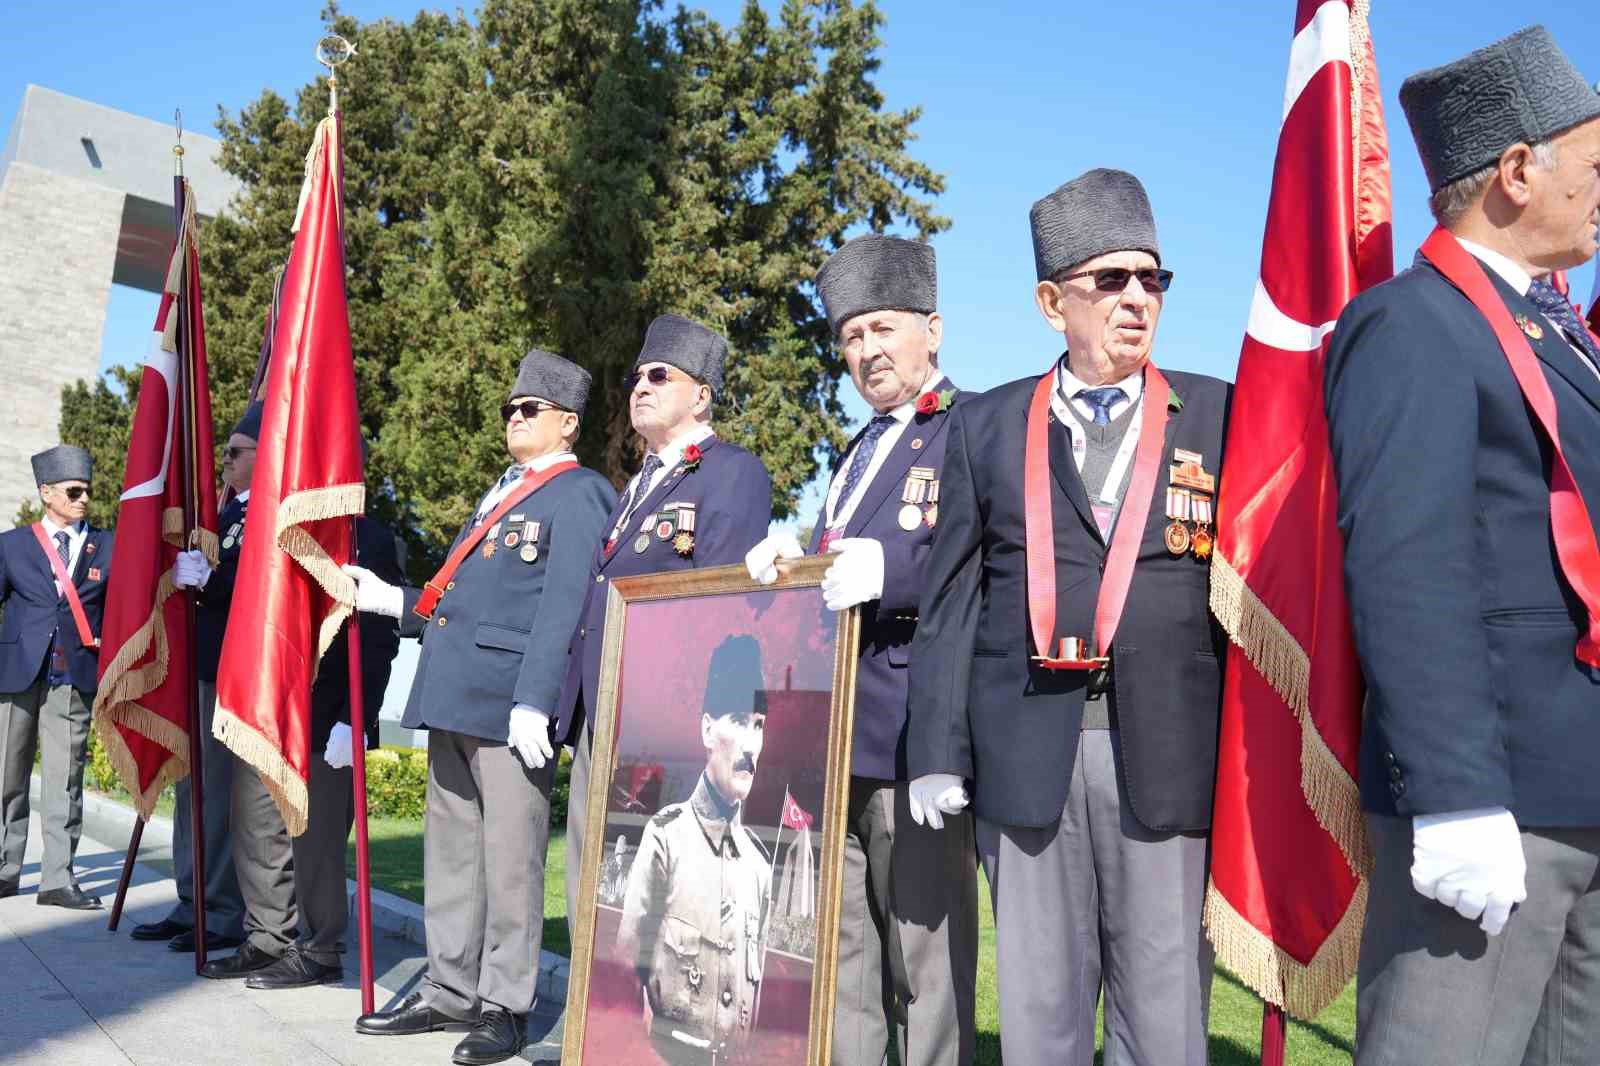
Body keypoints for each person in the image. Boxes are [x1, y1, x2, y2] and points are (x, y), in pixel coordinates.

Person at [906, 169, 1230, 1066]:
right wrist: (936, 750)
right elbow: (952, 601)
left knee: (1165, 1025)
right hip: (1026, 754)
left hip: (1169, 757)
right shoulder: (985, 424)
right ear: (1053, 303)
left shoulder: (1220, 411)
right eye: (1110, 279)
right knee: (1041, 1020)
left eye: (1152, 279)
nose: (1136, 298)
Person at [1323, 26, 1600, 1066]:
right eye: (1595, 166)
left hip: (1579, 785)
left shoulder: (1563, 337)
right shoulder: (1414, 324)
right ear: (1518, 171)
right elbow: (1410, 565)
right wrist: (1453, 792)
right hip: (1498, 802)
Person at [347, 349, 616, 1066]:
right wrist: (392, 600)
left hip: (508, 705)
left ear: (567, 422)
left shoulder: (579, 491)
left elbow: (565, 604)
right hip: (454, 694)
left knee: (511, 862)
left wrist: (536, 700)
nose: (514, 417)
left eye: (530, 409)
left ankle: (504, 1005)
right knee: (453, 857)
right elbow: (461, 601)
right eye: (509, 409)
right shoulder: (504, 491)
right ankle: (449, 991)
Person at [745, 234, 977, 1066]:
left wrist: (895, 572)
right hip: (833, 740)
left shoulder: (970, 425)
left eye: (883, 327)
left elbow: (988, 560)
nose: (868, 350)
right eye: (851, 336)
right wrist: (793, 567)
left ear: (932, 330)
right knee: (841, 959)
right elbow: (837, 580)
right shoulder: (856, 452)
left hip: (914, 735)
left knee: (923, 964)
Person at [553, 314, 774, 936]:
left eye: (658, 375)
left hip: (661, 718)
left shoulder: (730, 472)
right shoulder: (638, 487)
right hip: (605, 708)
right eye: (635, 378)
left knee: (650, 893)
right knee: (591, 879)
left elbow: (720, 610)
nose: (640, 387)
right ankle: (585, 1000)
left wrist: (679, 721)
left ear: (701, 395)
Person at [191, 506, 405, 986]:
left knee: (316, 839)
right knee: (255, 826)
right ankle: (268, 937)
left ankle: (321, 948)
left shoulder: (366, 537)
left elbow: (377, 637)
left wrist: (355, 716)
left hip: (326, 710)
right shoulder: (273, 532)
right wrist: (209, 581)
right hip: (268, 704)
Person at [129, 407, 255, 953]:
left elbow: (258, 589)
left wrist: (212, 581)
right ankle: (192, 899)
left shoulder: (266, 515)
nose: (224, 460)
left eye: (235, 451)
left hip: (233, 670)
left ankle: (222, 909)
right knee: (192, 787)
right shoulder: (228, 514)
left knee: (220, 792)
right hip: (201, 665)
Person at [616, 634, 773, 1066]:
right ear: (707, 729)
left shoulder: (759, 865)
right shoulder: (667, 838)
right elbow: (625, 978)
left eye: (759, 725)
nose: (751, 744)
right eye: (738, 721)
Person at [0, 445, 114, 909]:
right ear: (46, 492)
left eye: (87, 491)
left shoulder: (109, 545)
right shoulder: (11, 545)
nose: (83, 499)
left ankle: (57, 879)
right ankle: (4, 869)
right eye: (73, 491)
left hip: (73, 675)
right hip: (16, 675)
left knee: (65, 779)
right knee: (6, 774)